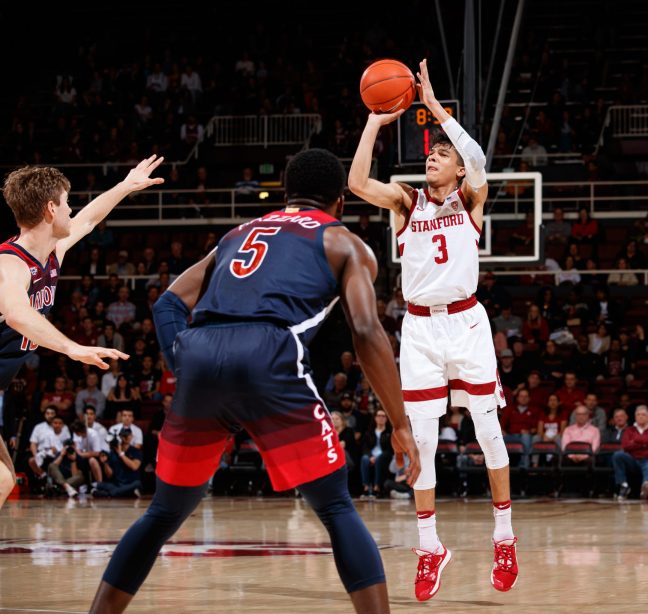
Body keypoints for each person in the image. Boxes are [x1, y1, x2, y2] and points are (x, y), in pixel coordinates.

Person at [88, 149, 420, 614]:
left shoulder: (237, 235)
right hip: (268, 354)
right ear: (340, 201)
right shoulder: (344, 243)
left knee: (163, 513)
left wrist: (183, 365)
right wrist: (400, 421)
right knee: (335, 507)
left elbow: (166, 303)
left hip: (201, 353)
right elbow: (366, 331)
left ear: (286, 193)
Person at [349, 58, 517, 599]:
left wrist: (438, 111)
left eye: (441, 154)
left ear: (457, 171)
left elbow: (476, 157)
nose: (433, 157)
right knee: (420, 443)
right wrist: (377, 119)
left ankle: (504, 536)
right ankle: (429, 547)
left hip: (467, 324)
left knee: (488, 432)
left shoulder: (471, 198)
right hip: (420, 330)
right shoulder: (405, 202)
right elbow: (354, 183)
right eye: (431, 153)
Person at [0, 156, 162, 507]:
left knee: (4, 478)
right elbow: (17, 314)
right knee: (1, 478)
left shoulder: (50, 252)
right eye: (66, 203)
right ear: (49, 209)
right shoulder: (9, 264)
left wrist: (125, 186)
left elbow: (89, 219)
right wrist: (72, 347)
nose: (71, 210)